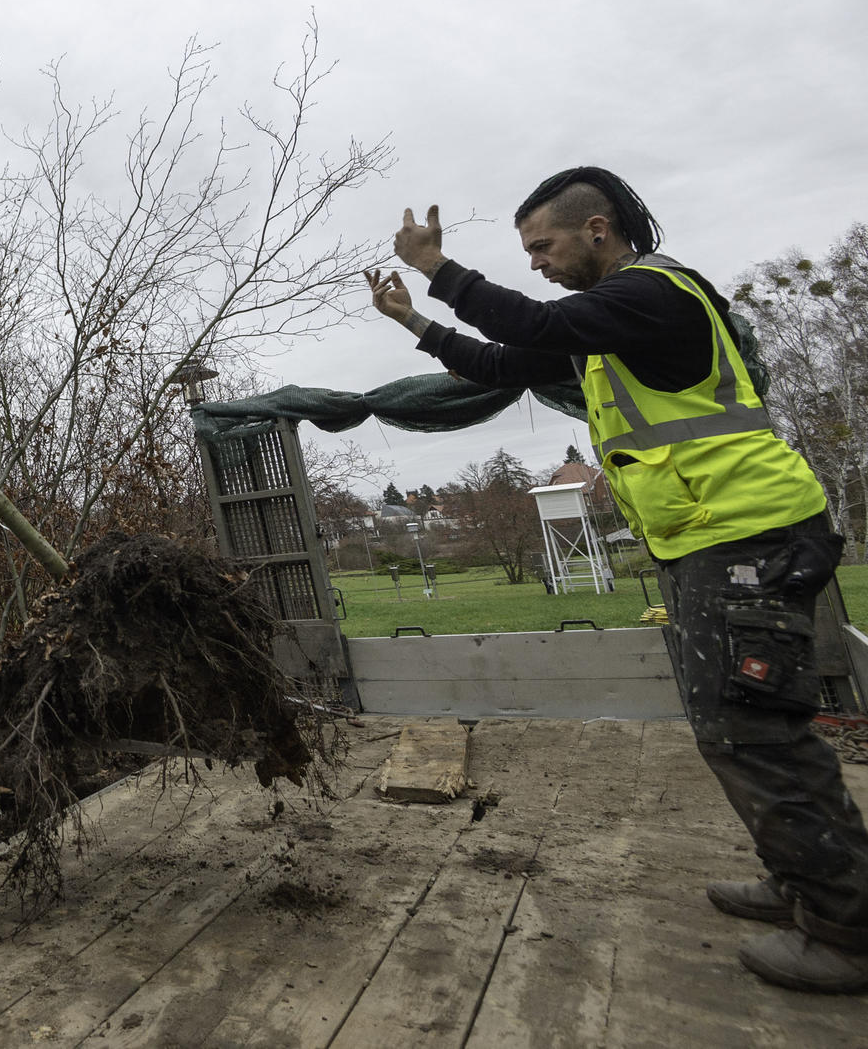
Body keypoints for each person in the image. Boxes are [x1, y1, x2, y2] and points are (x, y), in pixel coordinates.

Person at [364, 166, 868, 994]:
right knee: (740, 726)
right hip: (716, 539)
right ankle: (803, 881)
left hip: (747, 535)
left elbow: (523, 319)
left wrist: (436, 267)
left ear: (597, 229)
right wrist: (413, 318)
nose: (536, 263)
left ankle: (848, 927)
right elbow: (501, 362)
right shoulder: (612, 324)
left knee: (754, 731)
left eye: (543, 246)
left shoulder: (651, 294)